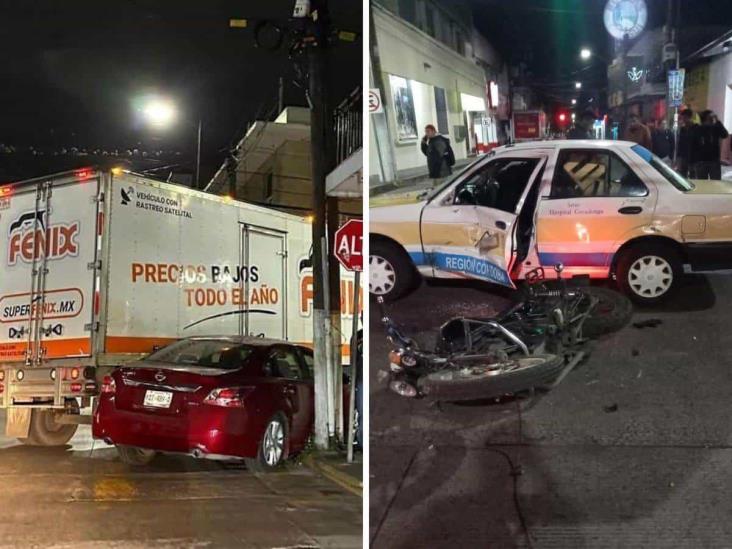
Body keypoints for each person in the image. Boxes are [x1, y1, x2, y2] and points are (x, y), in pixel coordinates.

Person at [689, 109, 729, 179]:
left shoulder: (715, 128)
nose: (712, 119)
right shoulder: (698, 129)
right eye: (711, 117)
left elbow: (725, 134)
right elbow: (693, 146)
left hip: (713, 161)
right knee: (703, 184)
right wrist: (692, 161)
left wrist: (718, 121)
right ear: (707, 118)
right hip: (701, 162)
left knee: (715, 184)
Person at [675, 109, 695, 177]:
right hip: (683, 157)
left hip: (693, 157)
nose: (683, 120)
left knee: (693, 175)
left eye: (685, 118)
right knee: (683, 175)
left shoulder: (696, 128)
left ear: (690, 117)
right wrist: (678, 158)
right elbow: (680, 143)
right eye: (683, 118)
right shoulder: (682, 129)